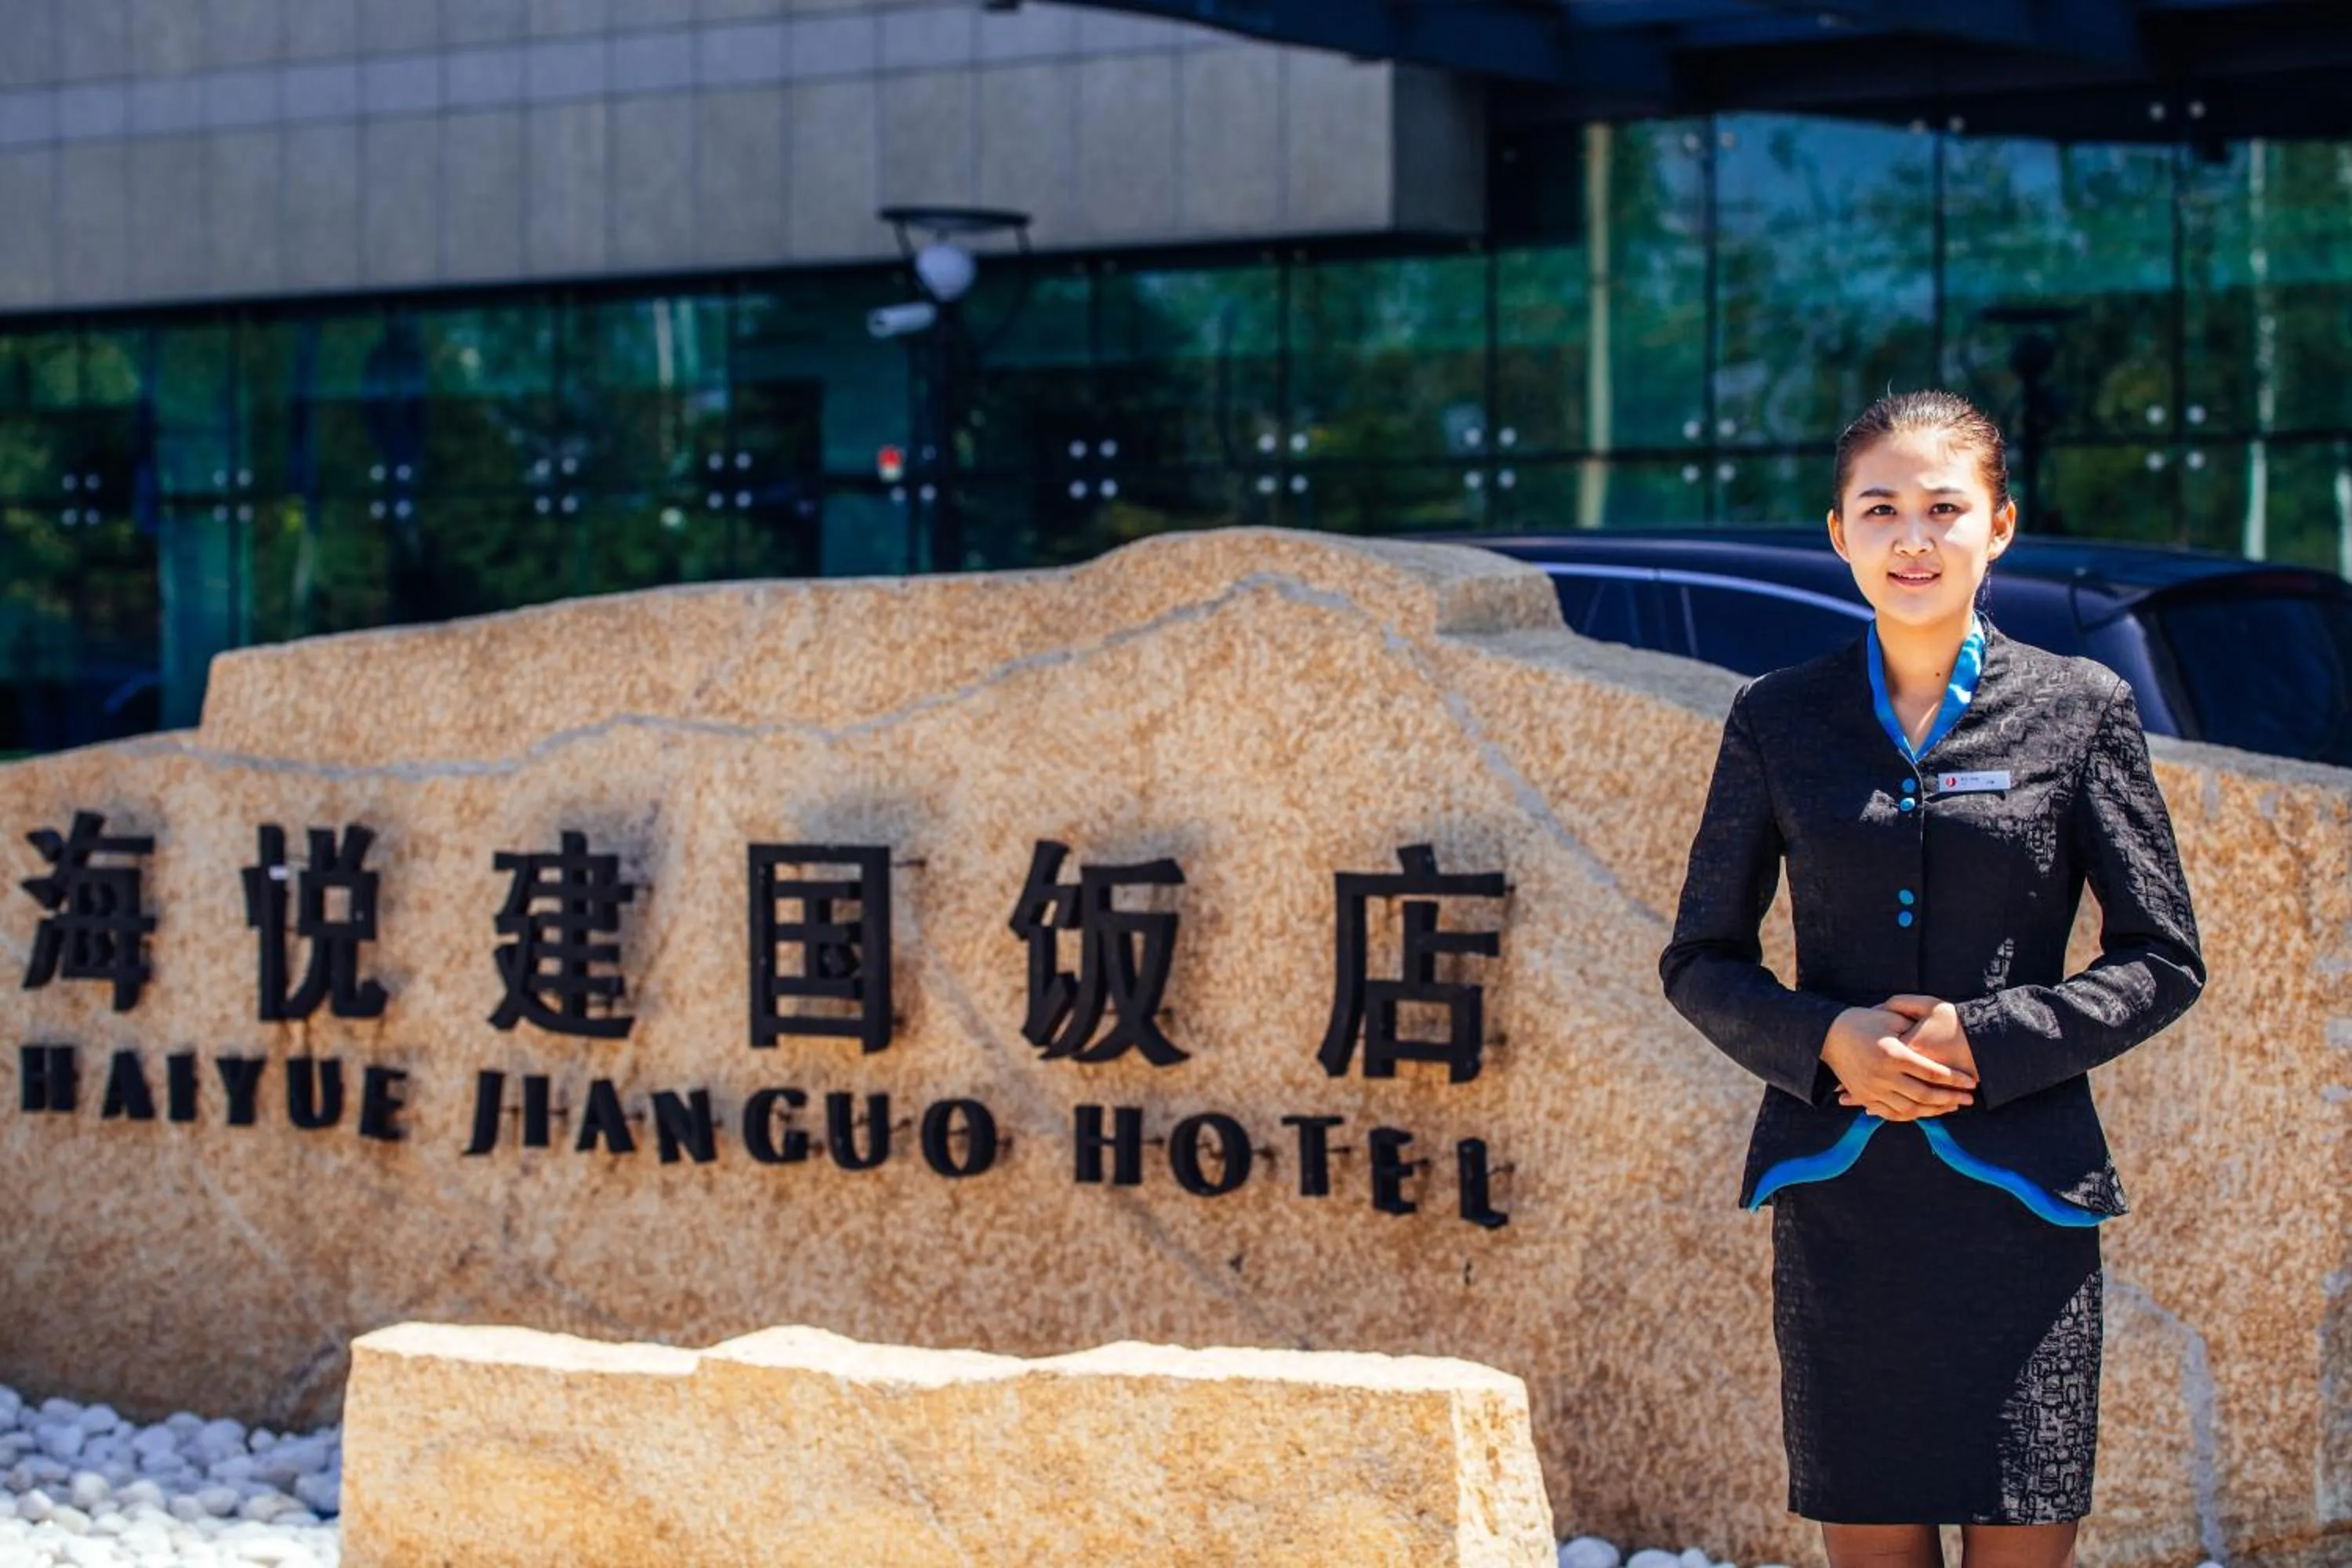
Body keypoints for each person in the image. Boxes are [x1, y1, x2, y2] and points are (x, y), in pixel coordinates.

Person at [1657, 390, 2207, 1568]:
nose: (1914, 537)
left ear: (1999, 527)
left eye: (1944, 508)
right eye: (1882, 508)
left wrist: (1994, 1038)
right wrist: (1826, 1041)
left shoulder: (2081, 709)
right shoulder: (1777, 718)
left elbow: (2163, 957)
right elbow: (1700, 957)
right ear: (1837, 533)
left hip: (2024, 1198)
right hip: (1845, 1203)